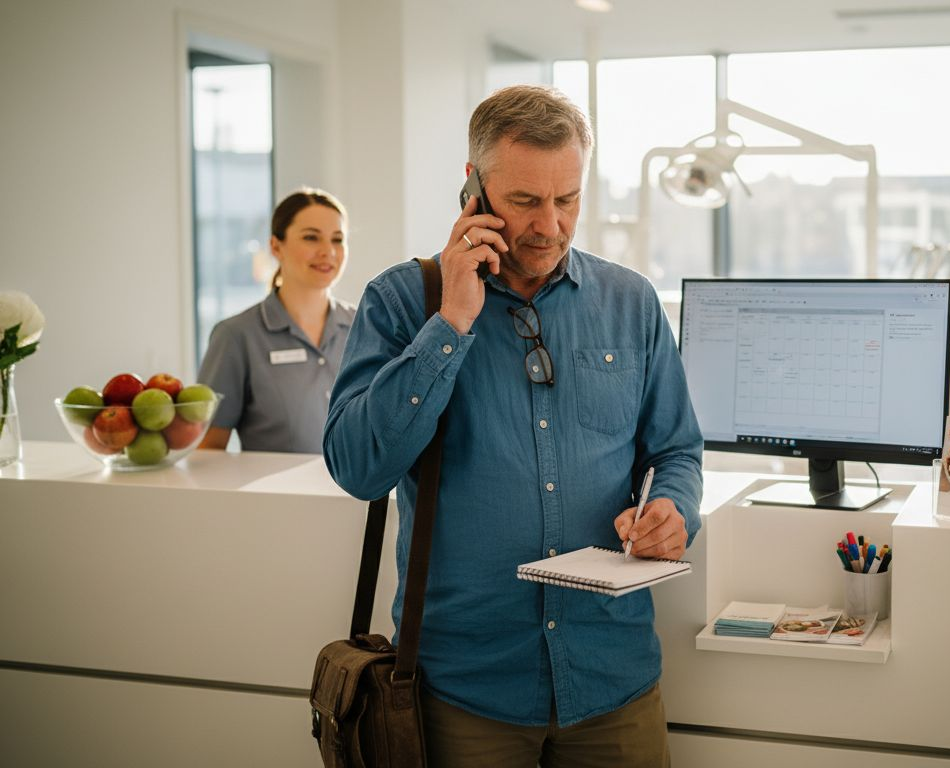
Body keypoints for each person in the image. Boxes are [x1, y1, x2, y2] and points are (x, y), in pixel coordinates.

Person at [324, 85, 703, 767]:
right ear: (472, 191)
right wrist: (451, 326)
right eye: (526, 201)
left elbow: (674, 449)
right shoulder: (401, 301)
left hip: (612, 680)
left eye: (568, 200)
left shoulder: (631, 302)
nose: (551, 226)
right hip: (466, 691)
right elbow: (358, 469)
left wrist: (675, 509)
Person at [197, 188, 355, 453]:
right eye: (311, 238)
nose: (328, 251)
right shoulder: (236, 336)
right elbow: (208, 449)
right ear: (276, 246)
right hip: (276, 495)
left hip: (356, 495)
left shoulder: (365, 327)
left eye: (337, 239)